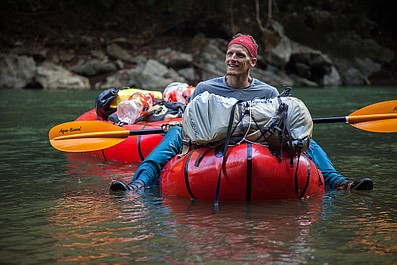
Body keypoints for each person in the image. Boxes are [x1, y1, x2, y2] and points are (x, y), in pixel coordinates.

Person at [110, 33, 373, 193]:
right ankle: (139, 184)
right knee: (175, 134)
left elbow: (278, 123)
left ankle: (338, 182)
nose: (232, 59)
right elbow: (194, 125)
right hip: (212, 141)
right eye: (230, 54)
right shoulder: (205, 88)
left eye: (240, 55)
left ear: (252, 62)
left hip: (254, 138)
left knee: (306, 140)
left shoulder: (268, 92)